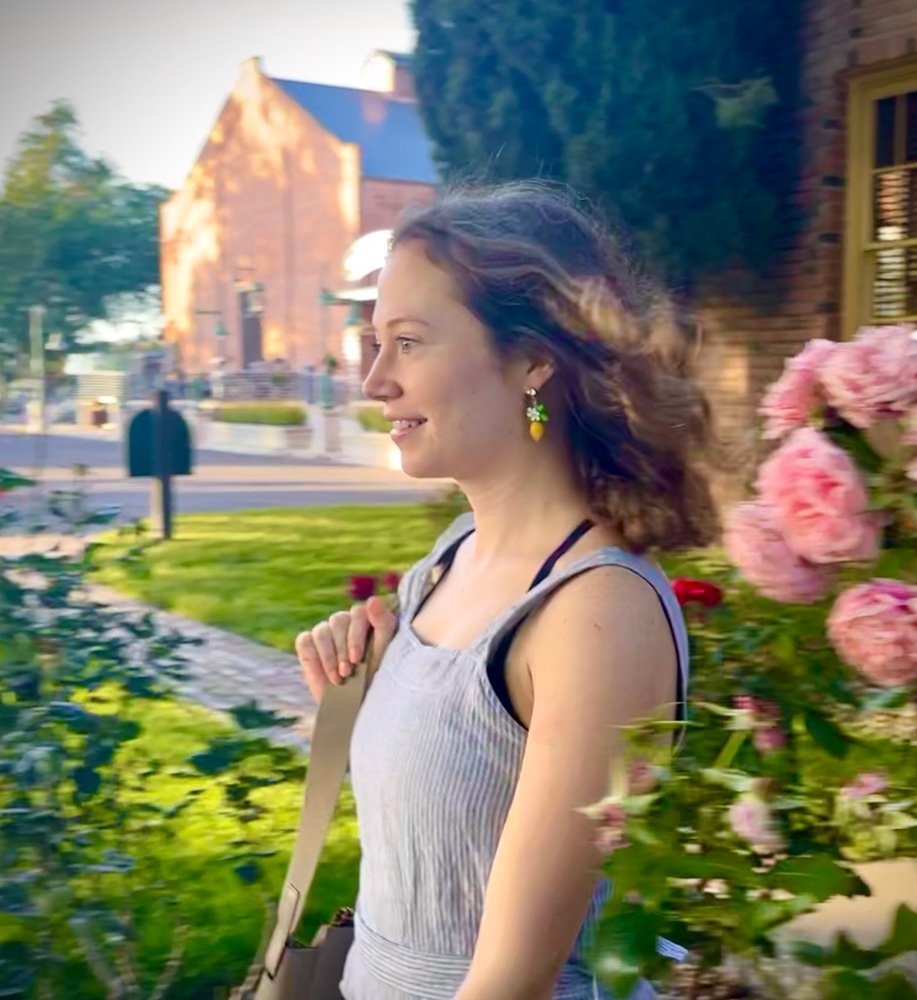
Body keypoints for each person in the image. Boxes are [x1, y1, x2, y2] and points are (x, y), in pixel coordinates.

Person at [295, 181, 720, 1000]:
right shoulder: (451, 559)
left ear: (532, 359)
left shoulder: (598, 614)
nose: (376, 380)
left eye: (410, 342)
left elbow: (509, 982)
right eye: (375, 343)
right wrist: (365, 694)